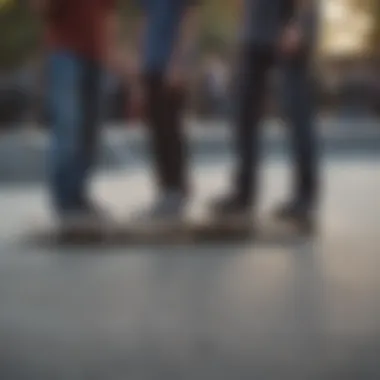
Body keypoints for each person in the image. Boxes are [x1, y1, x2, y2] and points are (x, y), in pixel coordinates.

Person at [212, 0, 319, 231]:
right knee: (243, 114)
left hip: (288, 26)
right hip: (254, 33)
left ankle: (304, 197)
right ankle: (244, 193)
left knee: (296, 112)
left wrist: (298, 25)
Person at [30, 0, 123, 229]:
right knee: (69, 124)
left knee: (89, 130)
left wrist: (111, 52)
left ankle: (79, 194)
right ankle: (65, 200)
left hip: (96, 54)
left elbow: (109, 13)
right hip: (65, 53)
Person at [133, 0, 200, 223]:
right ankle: (165, 190)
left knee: (171, 127)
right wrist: (140, 63)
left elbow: (189, 18)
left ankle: (177, 188)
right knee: (157, 129)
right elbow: (145, 20)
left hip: (171, 65)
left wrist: (180, 62)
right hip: (151, 63)